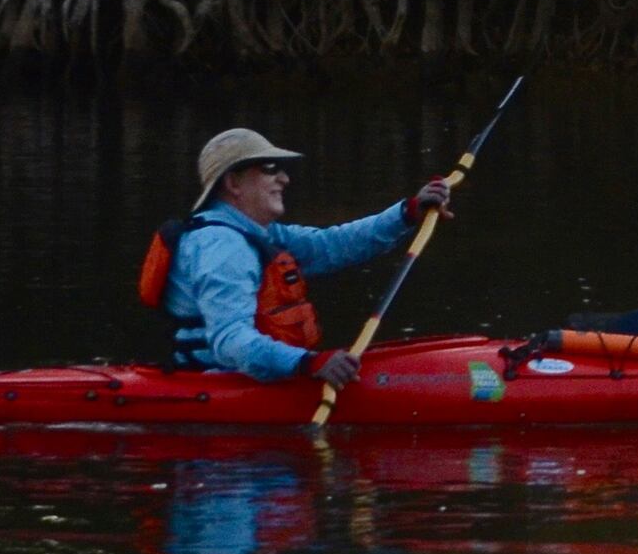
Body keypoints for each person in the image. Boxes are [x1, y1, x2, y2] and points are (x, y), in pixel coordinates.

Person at [153, 128, 449, 388]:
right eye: (270, 168)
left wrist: (407, 213)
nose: (284, 178)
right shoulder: (223, 248)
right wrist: (309, 363)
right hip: (219, 384)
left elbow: (332, 245)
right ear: (233, 183)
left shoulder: (257, 234)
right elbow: (230, 340)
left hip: (253, 376)